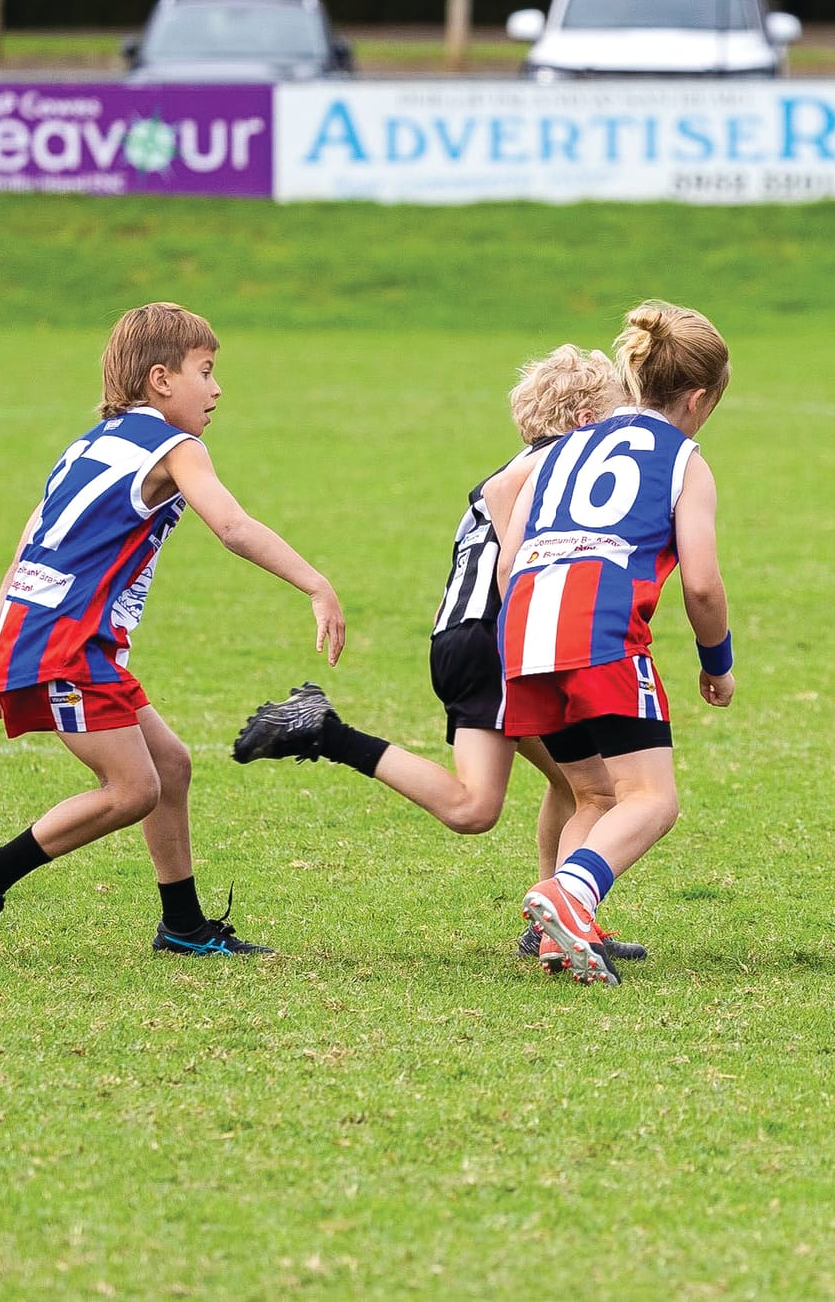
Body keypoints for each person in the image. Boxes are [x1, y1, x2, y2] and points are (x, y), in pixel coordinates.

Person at [0, 302, 345, 963]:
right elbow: (233, 526)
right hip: (67, 641)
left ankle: (182, 925)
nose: (217, 389)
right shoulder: (175, 446)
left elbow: (26, 551)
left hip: (49, 632)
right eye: (205, 372)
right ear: (161, 379)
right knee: (134, 790)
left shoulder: (87, 445)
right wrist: (316, 584)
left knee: (170, 765)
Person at [230, 345, 648, 965]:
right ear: (586, 418)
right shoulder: (553, 465)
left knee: (579, 783)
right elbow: (511, 526)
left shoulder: (524, 463)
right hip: (500, 640)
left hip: (462, 639)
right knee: (493, 805)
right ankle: (327, 733)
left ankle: (552, 924)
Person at [502, 300, 737, 986]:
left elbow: (510, 559)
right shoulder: (684, 459)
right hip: (600, 633)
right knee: (653, 800)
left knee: (595, 795)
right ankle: (568, 895)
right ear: (698, 398)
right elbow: (702, 584)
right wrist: (718, 663)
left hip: (524, 632)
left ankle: (557, 937)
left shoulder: (559, 447)